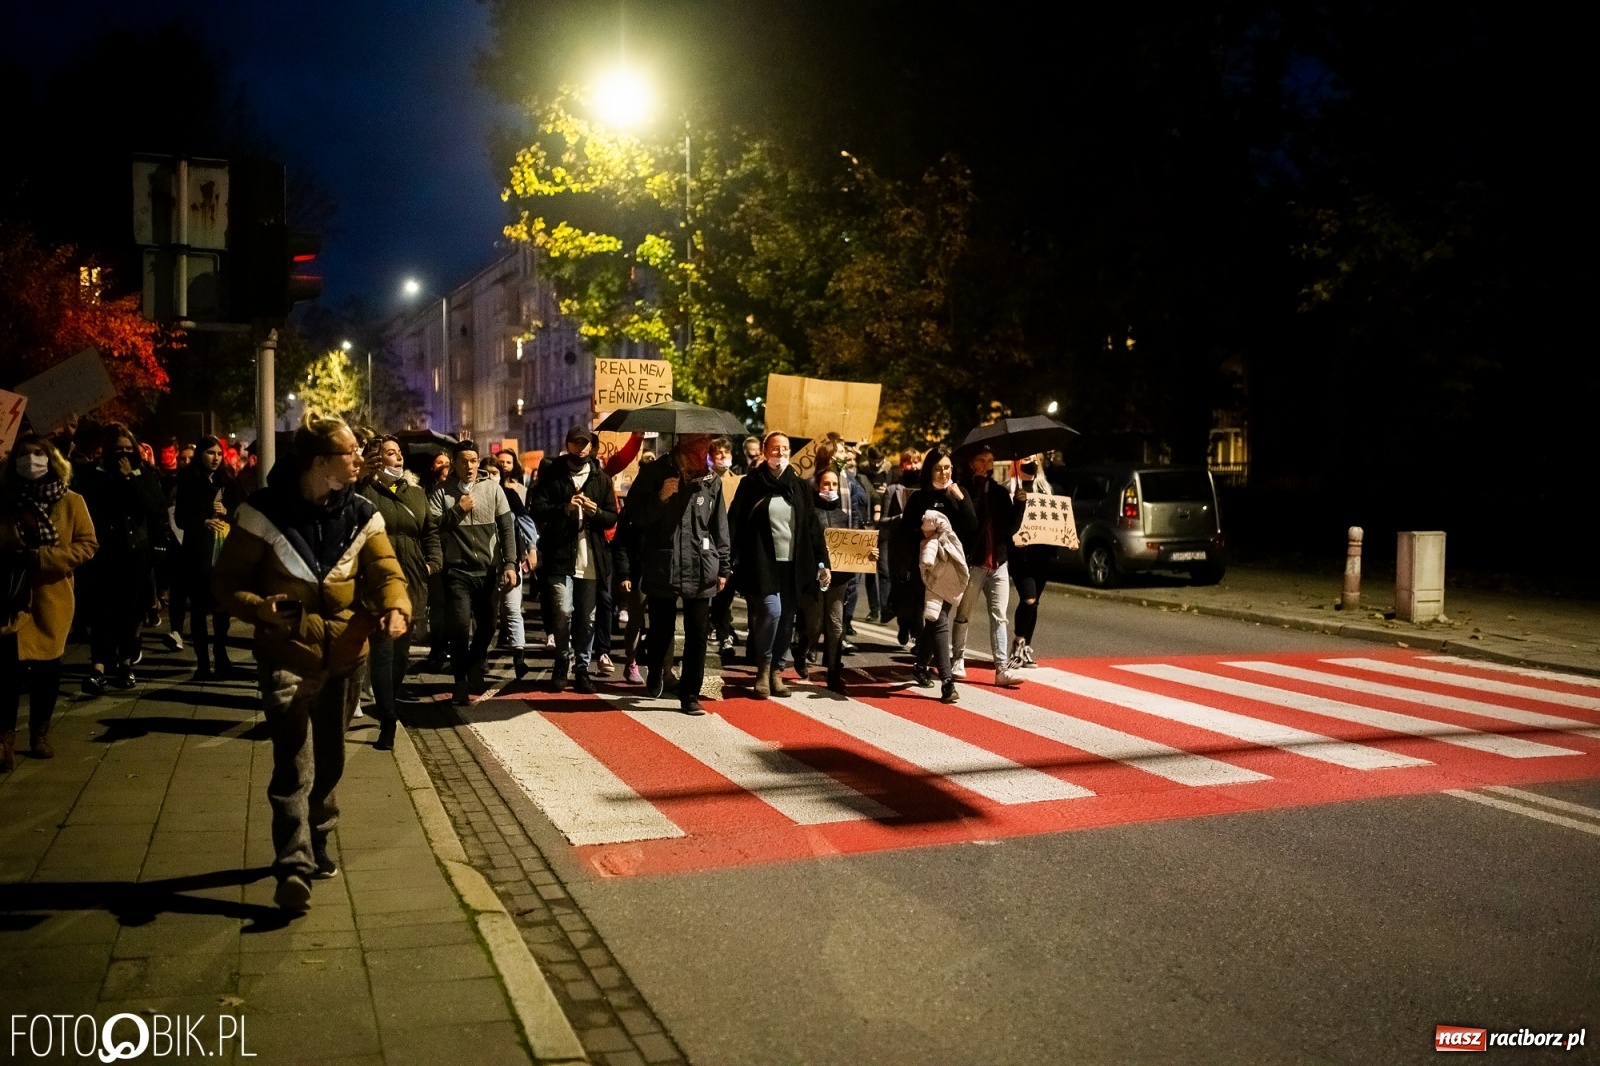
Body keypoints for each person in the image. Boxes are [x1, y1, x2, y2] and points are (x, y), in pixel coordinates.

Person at [213, 416, 410, 911]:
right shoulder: (263, 513)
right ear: (320, 461)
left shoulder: (363, 513)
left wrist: (396, 606)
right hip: (287, 655)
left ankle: (319, 831)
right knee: (292, 764)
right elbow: (225, 581)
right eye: (349, 452)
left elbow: (386, 569)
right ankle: (293, 865)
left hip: (346, 655)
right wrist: (259, 609)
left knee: (331, 759)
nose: (359, 457)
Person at [1, 434, 98, 769]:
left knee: (46, 672)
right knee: (6, 674)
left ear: (52, 460)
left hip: (51, 597)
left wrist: (42, 558)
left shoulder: (70, 501)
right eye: (24, 455)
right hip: (10, 599)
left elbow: (87, 544)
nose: (31, 460)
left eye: (38, 454)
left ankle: (39, 733)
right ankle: (4, 740)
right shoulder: (6, 500)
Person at [626, 432, 730, 715]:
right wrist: (660, 498)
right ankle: (657, 668)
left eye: (705, 449)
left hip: (701, 567)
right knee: (661, 632)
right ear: (683, 445)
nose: (703, 455)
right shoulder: (654, 473)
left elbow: (720, 527)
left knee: (697, 633)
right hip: (664, 565)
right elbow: (634, 517)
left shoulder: (711, 481)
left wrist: (724, 566)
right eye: (698, 448)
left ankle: (690, 694)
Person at [728, 432, 828, 698]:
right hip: (762, 562)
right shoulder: (751, 483)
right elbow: (734, 522)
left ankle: (777, 672)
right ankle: (762, 668)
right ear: (764, 450)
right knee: (771, 612)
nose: (780, 453)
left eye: (784, 448)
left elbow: (812, 527)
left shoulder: (799, 485)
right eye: (775, 448)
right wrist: (726, 559)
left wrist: (822, 562)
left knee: (787, 619)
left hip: (795, 565)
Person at [359, 435, 441, 750]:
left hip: (411, 585)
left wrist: (433, 563)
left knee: (401, 658)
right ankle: (388, 721)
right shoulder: (364, 493)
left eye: (399, 453)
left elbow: (430, 532)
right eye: (390, 453)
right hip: (377, 584)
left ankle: (387, 703)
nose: (398, 458)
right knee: (382, 653)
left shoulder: (416, 494)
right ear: (377, 460)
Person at [76, 424, 167, 694]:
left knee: (130, 611)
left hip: (134, 552)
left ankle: (126, 663)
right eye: (118, 450)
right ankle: (99, 666)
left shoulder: (143, 475)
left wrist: (131, 479)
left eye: (129, 449)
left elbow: (154, 507)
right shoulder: (94, 475)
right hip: (103, 552)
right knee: (103, 611)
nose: (124, 454)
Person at [528, 427, 617, 693]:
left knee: (588, 618)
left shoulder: (600, 478)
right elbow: (537, 509)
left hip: (590, 558)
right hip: (559, 556)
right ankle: (561, 663)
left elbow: (612, 517)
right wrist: (565, 508)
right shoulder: (552, 475)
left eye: (585, 444)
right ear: (567, 445)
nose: (580, 448)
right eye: (575, 443)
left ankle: (582, 668)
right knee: (563, 611)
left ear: (591, 447)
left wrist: (596, 512)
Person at [429, 440, 518, 706]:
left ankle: (475, 662)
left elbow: (506, 528)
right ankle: (459, 682)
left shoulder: (493, 489)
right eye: (464, 460)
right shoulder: (441, 492)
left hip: (488, 570)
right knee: (458, 627)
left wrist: (510, 564)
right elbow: (432, 527)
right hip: (457, 571)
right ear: (454, 463)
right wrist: (458, 510)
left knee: (489, 625)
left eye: (474, 460)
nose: (470, 465)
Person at [897, 449, 976, 693]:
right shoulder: (919, 499)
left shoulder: (959, 495)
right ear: (930, 470)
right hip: (927, 568)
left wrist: (961, 500)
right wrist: (925, 534)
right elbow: (904, 533)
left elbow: (973, 528)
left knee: (934, 621)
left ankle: (921, 666)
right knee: (939, 618)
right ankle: (947, 681)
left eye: (948, 468)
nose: (944, 473)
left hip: (952, 568)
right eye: (939, 468)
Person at [950, 445, 1026, 687]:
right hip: (974, 561)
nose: (988, 464)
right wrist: (977, 491)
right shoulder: (963, 490)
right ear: (972, 463)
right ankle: (957, 659)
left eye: (991, 460)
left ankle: (1001, 668)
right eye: (983, 459)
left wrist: (1020, 505)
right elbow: (970, 523)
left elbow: (1011, 528)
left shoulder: (999, 492)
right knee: (964, 613)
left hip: (998, 562)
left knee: (999, 616)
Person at [799, 469, 878, 693]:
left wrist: (869, 553)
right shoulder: (810, 514)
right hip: (815, 578)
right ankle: (802, 649)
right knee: (815, 625)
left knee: (835, 626)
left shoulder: (844, 517)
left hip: (839, 579)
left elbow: (855, 546)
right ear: (818, 486)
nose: (830, 489)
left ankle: (834, 672)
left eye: (834, 485)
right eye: (826, 484)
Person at [173, 436, 243, 680]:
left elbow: (242, 511)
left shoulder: (228, 481)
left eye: (219, 454)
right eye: (210, 453)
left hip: (223, 549)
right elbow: (180, 517)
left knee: (222, 607)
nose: (215, 458)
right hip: (199, 552)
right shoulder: (189, 481)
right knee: (200, 609)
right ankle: (203, 662)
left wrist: (229, 511)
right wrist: (202, 520)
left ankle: (221, 654)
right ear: (200, 454)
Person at [914, 509, 969, 704]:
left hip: (948, 581)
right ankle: (947, 681)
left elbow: (970, 520)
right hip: (932, 583)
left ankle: (920, 667)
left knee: (934, 625)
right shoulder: (931, 539)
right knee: (940, 625)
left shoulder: (957, 499)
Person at [1006, 456, 1055, 669]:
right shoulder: (1009, 490)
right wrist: (1018, 505)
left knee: (1035, 603)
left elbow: (1056, 522)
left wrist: (1068, 539)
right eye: (1027, 458)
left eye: (1035, 458)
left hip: (1042, 556)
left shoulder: (1047, 490)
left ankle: (1026, 646)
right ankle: (1018, 642)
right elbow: (1009, 527)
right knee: (1028, 598)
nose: (1031, 462)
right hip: (1021, 557)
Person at [494, 448, 530, 674]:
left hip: (510, 559)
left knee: (512, 608)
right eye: (485, 474)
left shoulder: (511, 495)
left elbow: (525, 522)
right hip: (483, 563)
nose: (491, 479)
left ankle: (519, 656)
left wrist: (531, 548)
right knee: (487, 614)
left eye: (494, 473)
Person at [707, 436, 741, 658]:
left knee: (725, 593)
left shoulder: (738, 482)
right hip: (708, 543)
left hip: (731, 545)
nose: (722, 457)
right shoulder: (705, 481)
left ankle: (723, 632)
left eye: (725, 453)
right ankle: (716, 626)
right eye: (717, 453)